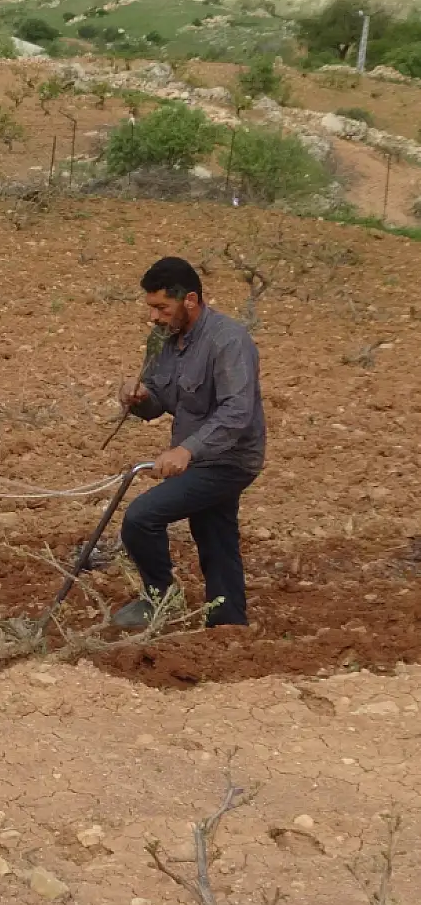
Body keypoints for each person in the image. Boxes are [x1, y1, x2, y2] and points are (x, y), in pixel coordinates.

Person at [114, 257, 266, 629]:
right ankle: (228, 624)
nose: (155, 317)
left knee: (141, 518)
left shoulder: (228, 341)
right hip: (198, 458)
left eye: (162, 308)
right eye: (152, 308)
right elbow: (159, 403)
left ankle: (160, 600)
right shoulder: (165, 340)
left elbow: (237, 412)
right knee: (215, 533)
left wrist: (187, 450)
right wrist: (138, 399)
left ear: (191, 300)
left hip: (230, 459)